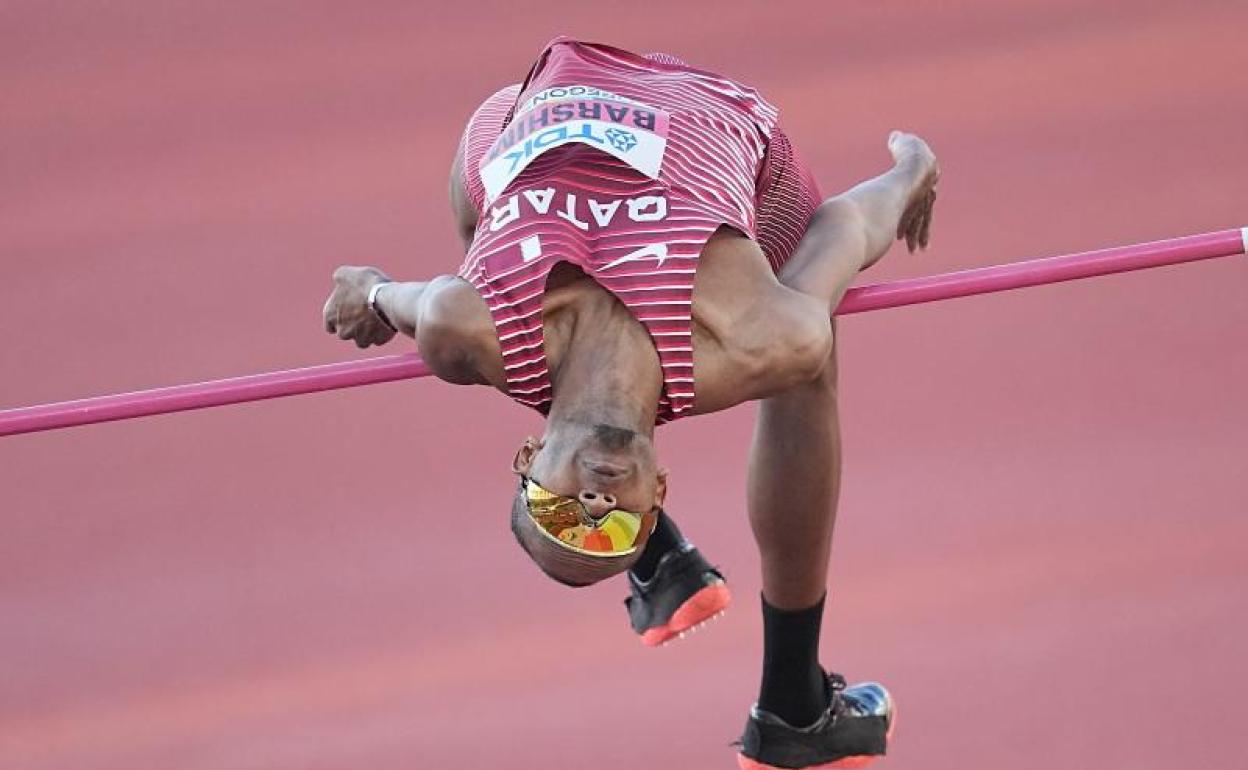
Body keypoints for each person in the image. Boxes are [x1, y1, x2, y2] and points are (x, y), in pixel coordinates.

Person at [322, 37, 938, 770]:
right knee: (808, 365)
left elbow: (399, 298)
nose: (594, 503)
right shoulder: (754, 334)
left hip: (554, 90)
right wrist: (911, 173)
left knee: (480, 189)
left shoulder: (466, 327)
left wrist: (371, 293)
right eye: (616, 527)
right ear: (657, 490)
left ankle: (661, 566)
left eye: (564, 513)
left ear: (528, 458)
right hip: (716, 115)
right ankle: (793, 707)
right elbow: (843, 225)